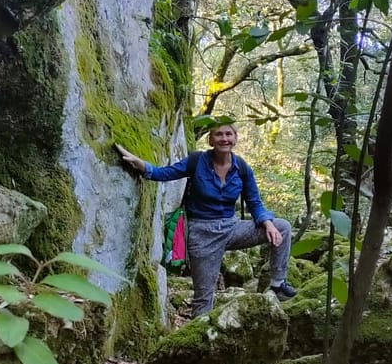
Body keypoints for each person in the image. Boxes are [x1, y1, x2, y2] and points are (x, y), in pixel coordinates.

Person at [116, 123, 297, 318]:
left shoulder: (242, 168)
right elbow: (164, 173)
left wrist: (268, 224)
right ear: (211, 140)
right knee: (203, 298)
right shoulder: (197, 161)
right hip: (201, 234)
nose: (224, 138)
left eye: (228, 134)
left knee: (282, 227)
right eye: (218, 134)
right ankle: (199, 333)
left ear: (235, 139)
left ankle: (278, 284)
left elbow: (255, 202)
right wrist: (140, 164)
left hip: (232, 228)